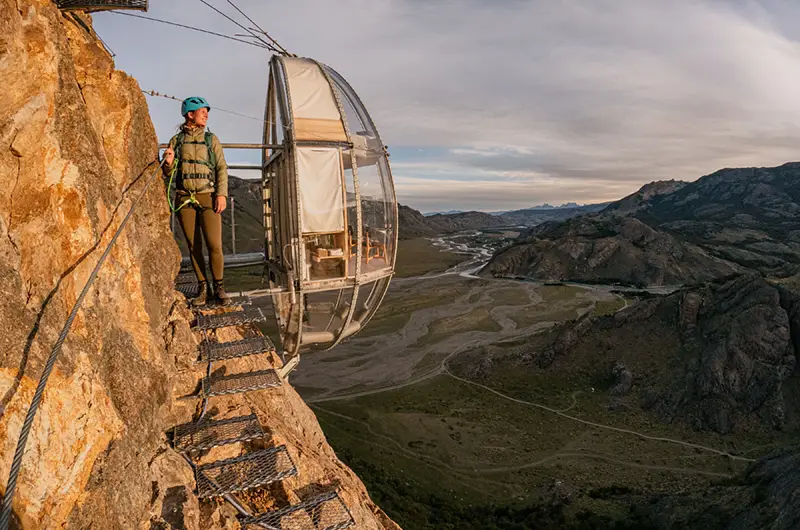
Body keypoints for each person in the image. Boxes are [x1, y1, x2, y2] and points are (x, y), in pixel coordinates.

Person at [163, 96, 231, 306]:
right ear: (190, 114)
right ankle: (203, 288)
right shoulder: (176, 141)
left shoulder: (211, 140)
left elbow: (221, 168)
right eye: (202, 111)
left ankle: (219, 288)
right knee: (194, 246)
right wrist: (168, 163)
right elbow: (169, 173)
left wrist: (221, 194)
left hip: (208, 196)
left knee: (214, 245)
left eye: (206, 112)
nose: (206, 115)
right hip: (184, 198)